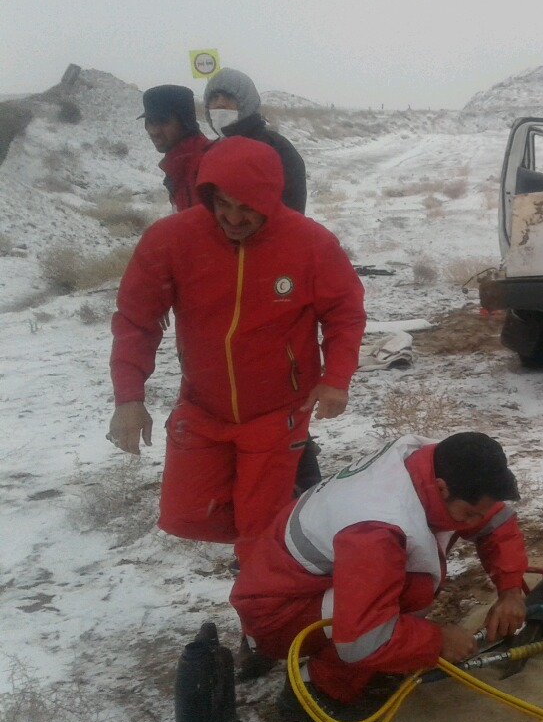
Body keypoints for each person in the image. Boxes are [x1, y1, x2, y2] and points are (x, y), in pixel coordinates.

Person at [107, 136, 365, 550]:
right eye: (222, 203)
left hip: (276, 411)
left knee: (259, 533)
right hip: (202, 404)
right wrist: (128, 398)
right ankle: (285, 532)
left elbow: (345, 313)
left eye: (247, 207)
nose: (232, 217)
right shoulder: (172, 238)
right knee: (187, 514)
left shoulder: (310, 242)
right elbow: (136, 320)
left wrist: (335, 378)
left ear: (271, 199)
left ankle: (271, 561)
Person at [229, 432, 528, 722]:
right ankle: (318, 691)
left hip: (295, 584)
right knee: (412, 590)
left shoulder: (431, 463)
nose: (476, 522)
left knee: (398, 586)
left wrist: (511, 591)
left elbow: (495, 520)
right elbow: (362, 638)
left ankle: (353, 663)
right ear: (441, 489)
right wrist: (437, 640)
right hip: (274, 616)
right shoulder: (376, 529)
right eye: (470, 514)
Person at [203, 67, 319, 490]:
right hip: (226, 287)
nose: (220, 109)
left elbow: (287, 225)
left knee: (278, 396)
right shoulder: (215, 150)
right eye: (213, 102)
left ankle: (305, 493)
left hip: (270, 287)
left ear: (247, 103)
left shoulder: (277, 151)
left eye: (228, 102)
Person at [203, 67, 308, 214]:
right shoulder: (211, 150)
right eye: (214, 98)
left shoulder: (276, 148)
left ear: (247, 102)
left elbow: (291, 212)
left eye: (228, 97)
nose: (220, 104)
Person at [138, 84, 210, 211]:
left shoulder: (206, 164)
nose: (153, 131)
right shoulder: (178, 165)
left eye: (163, 121)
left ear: (185, 122)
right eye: (150, 122)